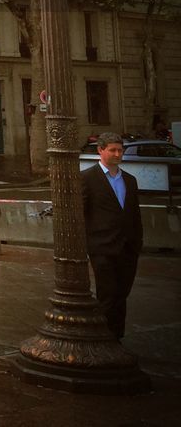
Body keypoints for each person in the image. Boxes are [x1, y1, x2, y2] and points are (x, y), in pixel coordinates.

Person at [82, 132, 143, 340]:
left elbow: (135, 215)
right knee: (107, 294)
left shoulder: (130, 180)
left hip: (127, 248)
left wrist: (137, 244)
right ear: (101, 150)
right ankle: (102, 337)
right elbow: (82, 214)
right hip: (102, 247)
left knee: (122, 294)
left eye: (120, 150)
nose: (117, 154)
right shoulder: (88, 178)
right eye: (113, 150)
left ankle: (117, 336)